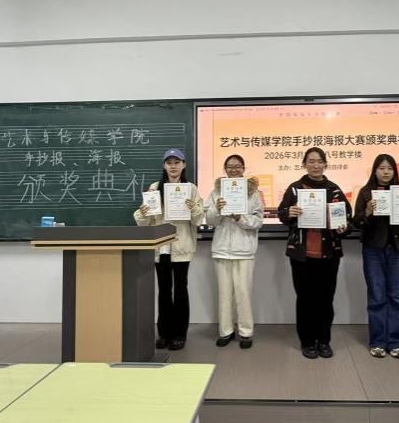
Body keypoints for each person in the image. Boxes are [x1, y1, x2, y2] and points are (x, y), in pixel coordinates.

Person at [277, 147, 351, 359]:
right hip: (302, 255)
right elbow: (282, 214)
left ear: (325, 164)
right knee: (305, 300)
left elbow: (347, 219)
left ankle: (324, 341)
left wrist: (344, 226)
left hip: (329, 254)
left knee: (326, 299)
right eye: (311, 161)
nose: (316, 165)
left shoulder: (334, 190)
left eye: (320, 161)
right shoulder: (295, 189)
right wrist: (289, 213)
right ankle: (308, 342)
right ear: (304, 164)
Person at [353, 154, 399, 359]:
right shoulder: (366, 192)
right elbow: (356, 222)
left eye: (390, 168)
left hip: (398, 249)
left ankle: (397, 343)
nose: (386, 172)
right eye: (381, 168)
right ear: (374, 170)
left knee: (396, 297)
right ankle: (377, 342)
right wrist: (367, 211)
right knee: (376, 296)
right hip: (373, 250)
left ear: (395, 171)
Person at [134, 148, 204, 351]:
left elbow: (199, 220)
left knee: (180, 290)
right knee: (164, 291)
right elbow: (146, 221)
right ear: (164, 166)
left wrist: (193, 208)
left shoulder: (191, 189)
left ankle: (180, 335)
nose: (173, 166)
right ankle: (164, 333)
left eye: (177, 162)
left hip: (182, 246)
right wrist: (143, 212)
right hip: (161, 247)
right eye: (169, 163)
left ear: (184, 165)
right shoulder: (155, 188)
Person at [205, 154, 264, 349]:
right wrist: (217, 209)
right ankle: (226, 331)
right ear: (225, 169)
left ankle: (246, 332)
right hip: (221, 249)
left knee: (243, 293)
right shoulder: (216, 192)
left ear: (244, 169)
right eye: (230, 166)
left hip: (244, 250)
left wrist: (240, 217)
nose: (234, 170)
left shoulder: (254, 193)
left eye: (238, 166)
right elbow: (209, 220)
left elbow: (258, 221)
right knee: (224, 294)